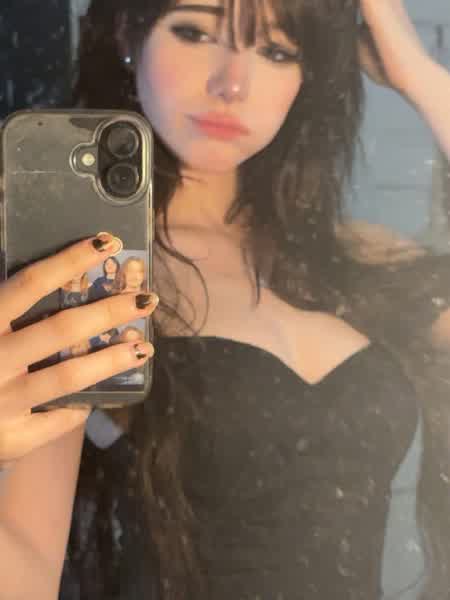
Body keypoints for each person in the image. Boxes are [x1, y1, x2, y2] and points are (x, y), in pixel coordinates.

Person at [1, 1, 450, 600]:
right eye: (194, 32)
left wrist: (422, 77)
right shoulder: (88, 272)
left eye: (277, 50)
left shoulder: (359, 258)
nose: (232, 84)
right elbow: (27, 569)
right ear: (130, 34)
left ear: (308, 73)